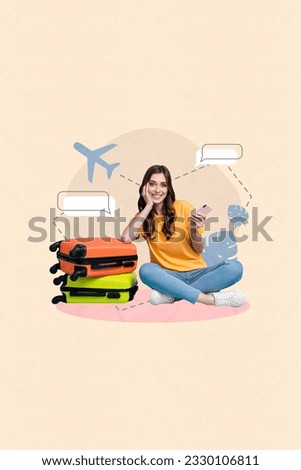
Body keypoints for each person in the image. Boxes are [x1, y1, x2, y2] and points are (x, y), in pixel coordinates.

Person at [121, 165, 245, 307]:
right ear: (144, 188)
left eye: (163, 185)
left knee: (235, 267)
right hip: (168, 276)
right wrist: (148, 206)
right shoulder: (143, 218)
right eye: (152, 184)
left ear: (168, 189)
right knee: (146, 270)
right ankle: (209, 299)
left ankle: (172, 295)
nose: (157, 190)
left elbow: (198, 249)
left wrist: (193, 229)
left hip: (198, 273)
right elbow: (126, 238)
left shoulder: (183, 206)